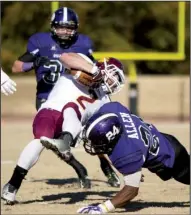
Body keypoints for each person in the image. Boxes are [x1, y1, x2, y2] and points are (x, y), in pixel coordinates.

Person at [11, 6, 120, 190]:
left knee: (93, 131)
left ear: (75, 28)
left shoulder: (83, 43)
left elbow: (92, 67)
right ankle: (79, 168)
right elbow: (16, 66)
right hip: (48, 99)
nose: (65, 31)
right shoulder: (40, 41)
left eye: (69, 27)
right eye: (61, 27)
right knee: (50, 140)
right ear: (53, 27)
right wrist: (34, 63)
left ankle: (105, 165)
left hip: (76, 94)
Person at [1, 56, 125, 205]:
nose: (115, 81)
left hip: (74, 126)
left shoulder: (104, 98)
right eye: (114, 75)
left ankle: (64, 141)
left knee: (72, 110)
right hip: (50, 111)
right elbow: (65, 57)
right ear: (105, 69)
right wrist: (93, 71)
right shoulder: (86, 66)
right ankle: (12, 185)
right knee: (39, 141)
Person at [77, 101, 190, 214]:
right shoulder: (114, 109)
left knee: (186, 178)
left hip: (171, 156)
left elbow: (131, 190)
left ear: (111, 136)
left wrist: (103, 208)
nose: (92, 144)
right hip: (162, 140)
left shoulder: (127, 154)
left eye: (96, 141)